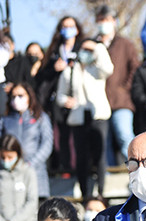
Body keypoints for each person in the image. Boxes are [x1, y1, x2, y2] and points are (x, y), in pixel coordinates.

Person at [55, 37, 113, 199]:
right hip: (78, 117)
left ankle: (101, 192)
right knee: (82, 157)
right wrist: (67, 101)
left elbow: (108, 68)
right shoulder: (70, 71)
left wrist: (98, 47)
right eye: (84, 49)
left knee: (100, 155)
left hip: (98, 116)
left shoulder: (97, 69)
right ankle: (85, 193)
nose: (87, 53)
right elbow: (60, 95)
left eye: (90, 50)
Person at [35, 16, 84, 176]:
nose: (68, 29)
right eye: (64, 26)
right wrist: (54, 68)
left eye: (71, 26)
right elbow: (42, 77)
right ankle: (66, 169)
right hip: (58, 101)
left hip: (80, 98)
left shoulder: (83, 47)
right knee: (62, 137)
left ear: (77, 29)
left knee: (79, 136)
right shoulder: (54, 51)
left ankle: (82, 168)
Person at [96, 5, 140, 163]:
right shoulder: (93, 44)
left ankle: (138, 165)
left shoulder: (125, 44)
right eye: (100, 20)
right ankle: (108, 174)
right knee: (103, 142)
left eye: (106, 20)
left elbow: (135, 68)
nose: (103, 23)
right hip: (99, 102)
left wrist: (125, 87)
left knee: (124, 136)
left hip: (121, 101)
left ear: (114, 21)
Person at [0, 82, 53, 198]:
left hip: (36, 174)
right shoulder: (5, 120)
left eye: (21, 95)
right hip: (10, 175)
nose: (16, 99)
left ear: (29, 96)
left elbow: (47, 144)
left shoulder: (40, 118)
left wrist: (30, 164)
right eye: (13, 96)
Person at [0, 135, 39, 221]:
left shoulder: (28, 172)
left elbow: (32, 202)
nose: (6, 161)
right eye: (3, 157)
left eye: (10, 157)